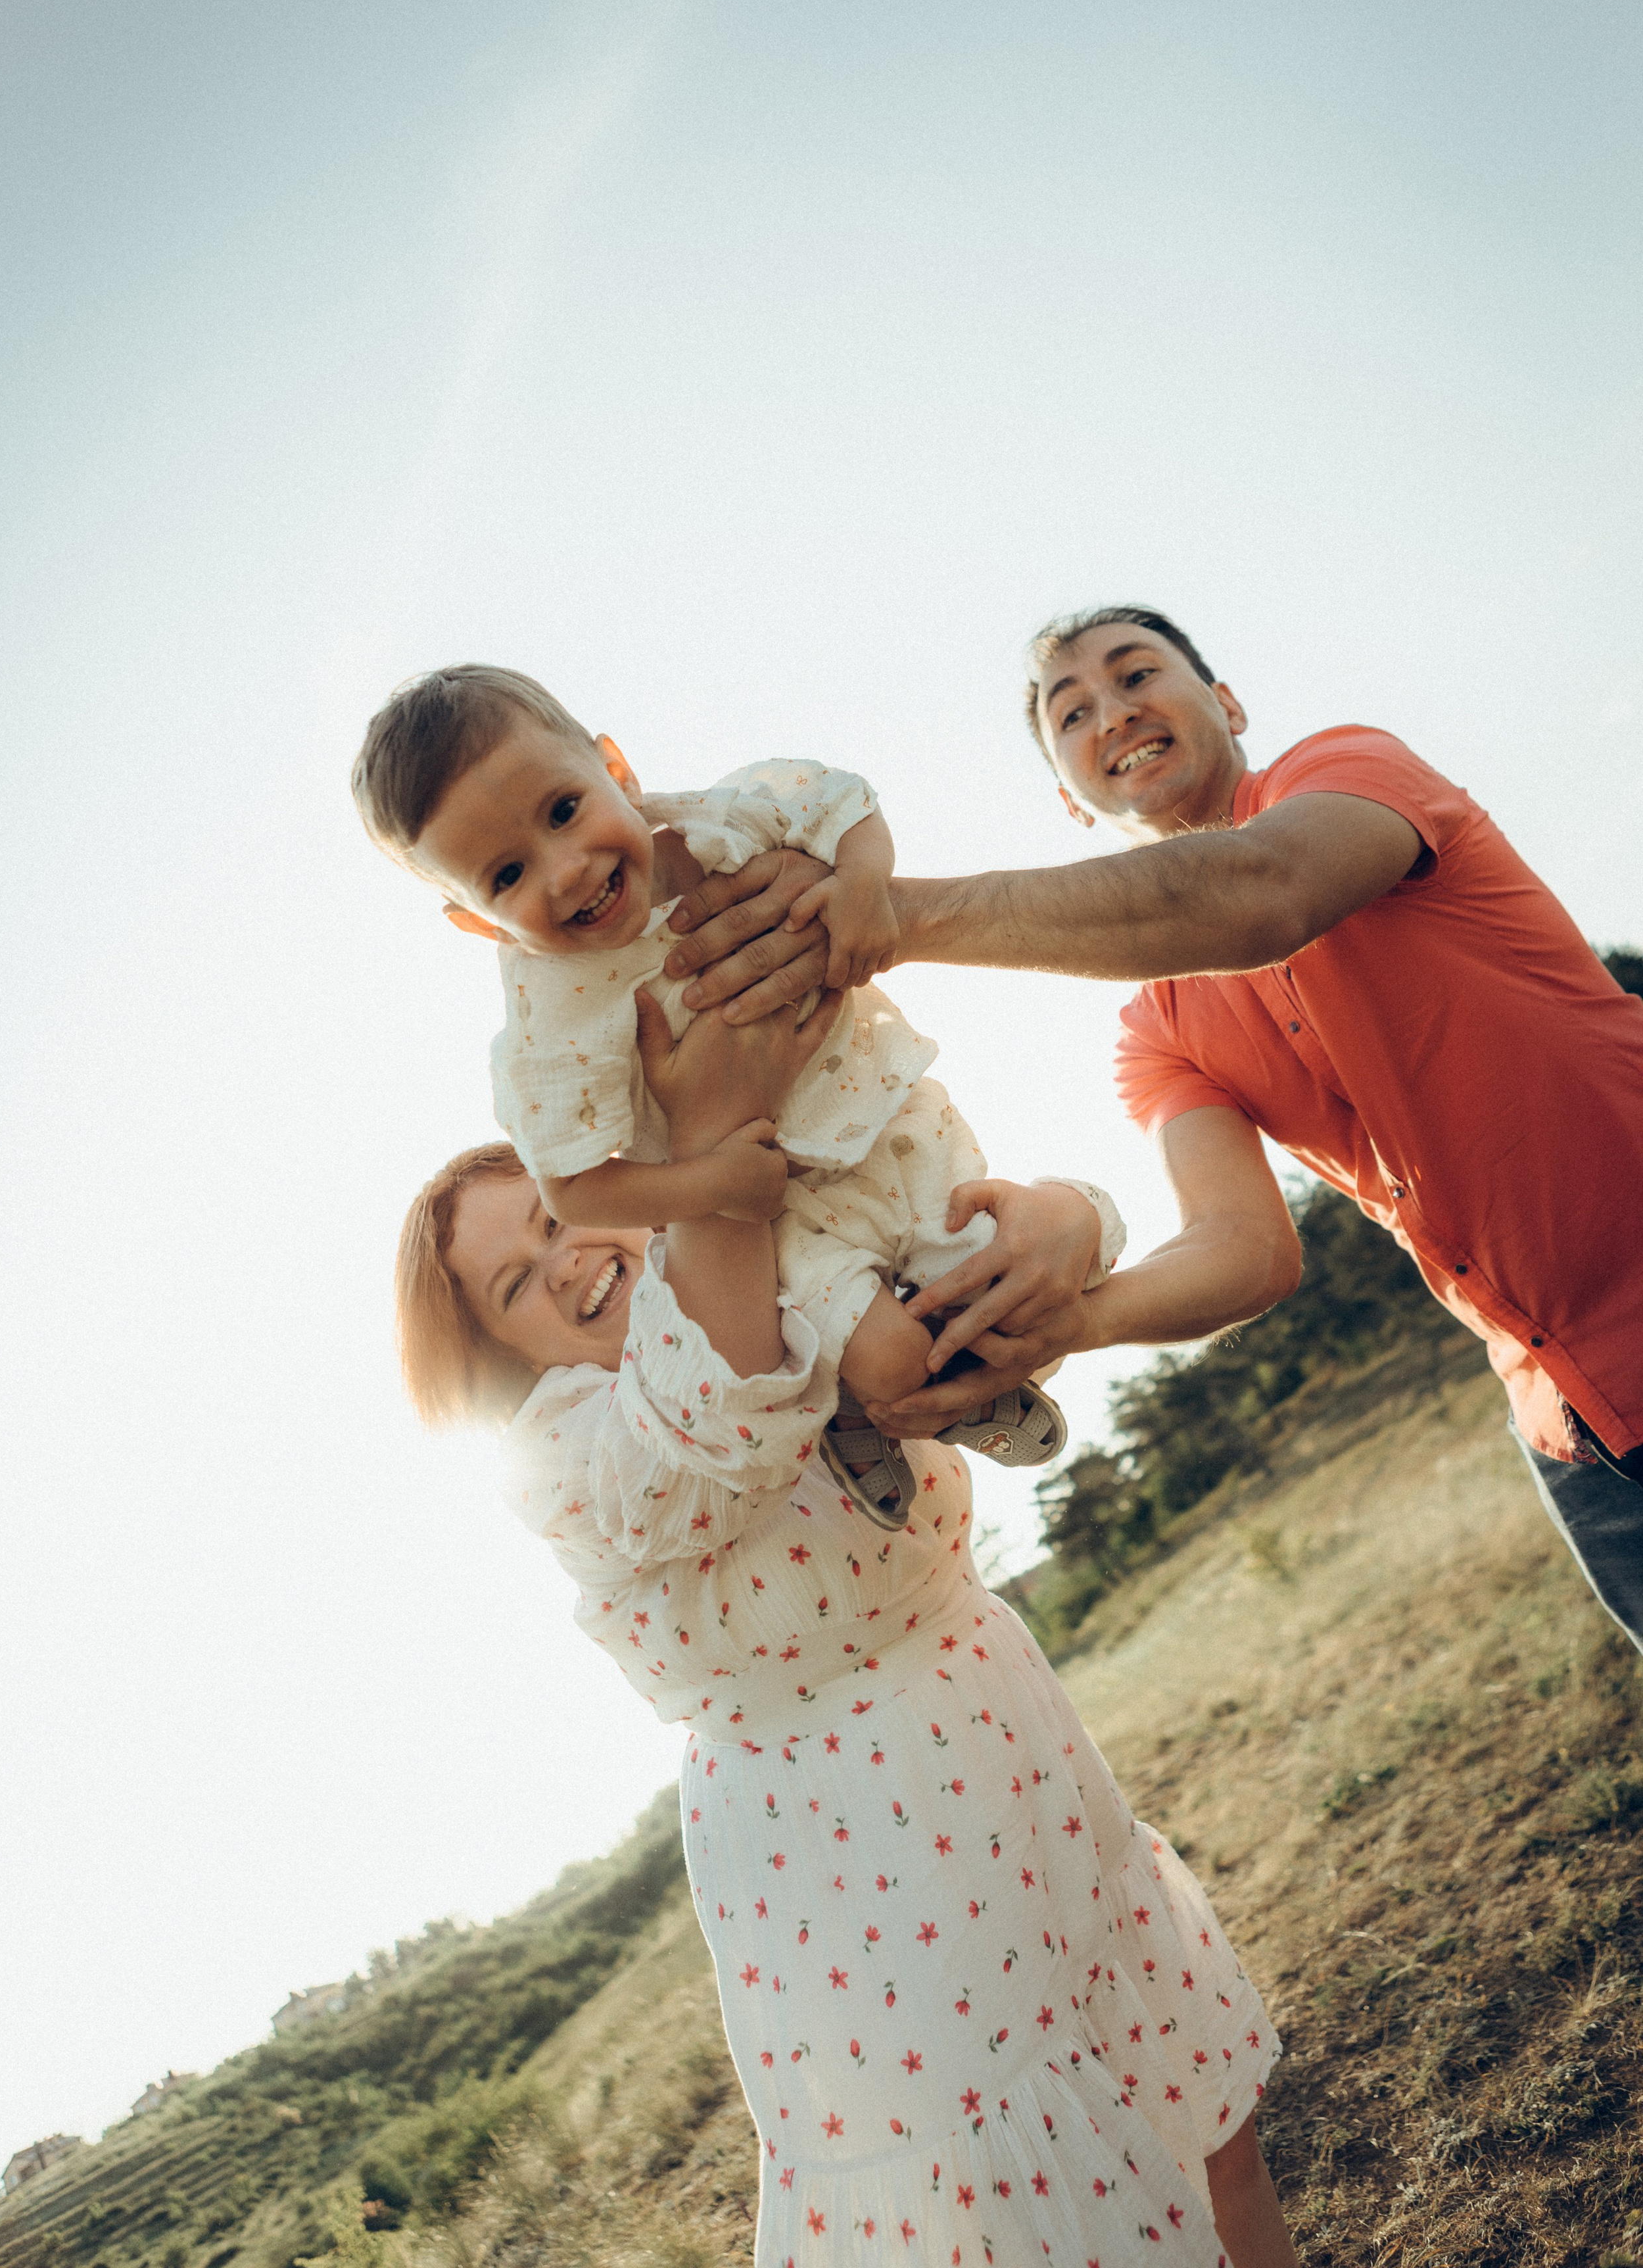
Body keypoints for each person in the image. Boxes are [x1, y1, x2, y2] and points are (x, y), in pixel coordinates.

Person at [394, 992, 1300, 2267]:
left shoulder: (769, 1264)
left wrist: (1062, 1216)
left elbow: (947, 1228)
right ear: (499, 1353)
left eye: (555, 1213)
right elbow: (719, 1404)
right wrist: (715, 1168)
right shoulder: (570, 1453)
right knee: (1023, 2212)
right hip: (850, 1847)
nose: (561, 1261)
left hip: (994, 1714)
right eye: (512, 1282)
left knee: (1191, 2115)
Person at [658, 606, 1643, 1651]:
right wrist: (1071, 1321)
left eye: (1136, 675)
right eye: (1071, 711)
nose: (1113, 712)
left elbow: (1263, 891)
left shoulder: (1349, 769)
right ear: (1070, 799)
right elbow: (1246, 1249)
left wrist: (888, 915)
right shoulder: (1157, 1031)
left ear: (1225, 704)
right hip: (1574, 1425)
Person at [352, 664, 1126, 1518]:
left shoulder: (722, 819)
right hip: (782, 1208)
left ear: (615, 768)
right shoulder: (545, 1026)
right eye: (506, 876)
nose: (566, 872)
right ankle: (866, 1409)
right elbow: (568, 1182)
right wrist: (707, 1185)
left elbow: (844, 805)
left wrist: (865, 887)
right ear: (475, 923)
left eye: (564, 811)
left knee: (1004, 1289)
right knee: (892, 1364)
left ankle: (925, 1397)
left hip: (885, 1119)